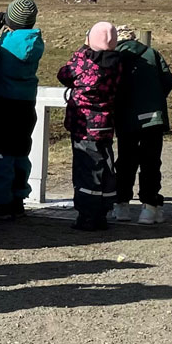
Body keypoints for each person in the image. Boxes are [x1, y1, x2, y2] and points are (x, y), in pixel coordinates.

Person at [0, 0, 44, 219]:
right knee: (19, 152)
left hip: (1, 103)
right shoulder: (35, 42)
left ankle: (1, 202)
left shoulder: (5, 46)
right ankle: (18, 198)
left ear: (10, 18)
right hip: (26, 104)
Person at [58, 22, 124, 232]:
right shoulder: (118, 64)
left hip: (84, 126)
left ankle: (87, 215)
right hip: (106, 124)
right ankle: (103, 211)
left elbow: (64, 75)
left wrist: (81, 50)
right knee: (105, 167)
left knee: (86, 170)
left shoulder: (84, 62)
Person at [113, 24, 172, 224]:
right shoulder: (152, 53)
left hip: (125, 117)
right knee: (151, 161)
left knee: (125, 160)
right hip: (153, 117)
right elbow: (167, 80)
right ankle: (149, 207)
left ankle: (121, 205)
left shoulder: (114, 57)